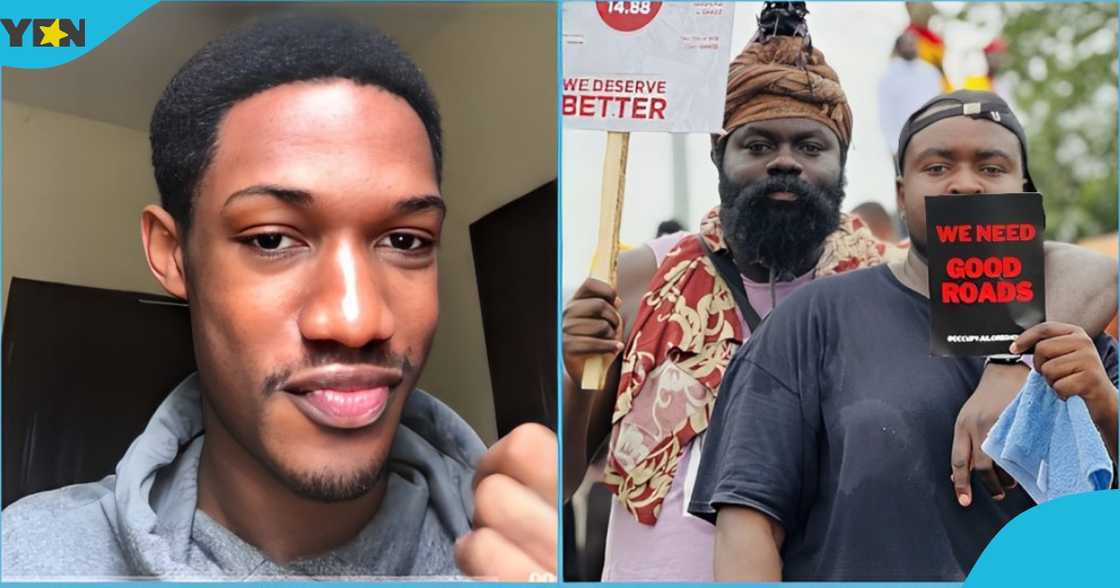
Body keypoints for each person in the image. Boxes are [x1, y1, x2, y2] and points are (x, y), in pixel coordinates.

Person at [561, 4, 1114, 582]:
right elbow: (564, 478)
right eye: (756, 145)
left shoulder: (894, 275)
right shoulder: (644, 277)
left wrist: (1011, 365)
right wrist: (577, 377)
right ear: (718, 157)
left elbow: (1087, 272)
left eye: (810, 147)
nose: (786, 164)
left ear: (844, 165)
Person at [1, 16, 555, 581]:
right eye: (272, 239)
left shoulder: (542, 555)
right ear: (172, 254)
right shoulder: (26, 554)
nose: (355, 319)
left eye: (405, 240)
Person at [689, 90, 1118, 581]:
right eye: (936, 168)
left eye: (991, 167)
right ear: (900, 193)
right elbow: (748, 521)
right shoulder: (812, 320)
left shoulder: (1075, 337)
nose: (964, 186)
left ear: (1025, 190)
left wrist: (1099, 402)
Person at [878, 31, 943, 161]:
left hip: (931, 140)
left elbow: (939, 105)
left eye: (913, 42)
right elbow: (886, 114)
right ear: (899, 47)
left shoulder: (930, 72)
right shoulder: (889, 76)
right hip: (901, 143)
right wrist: (894, 146)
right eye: (907, 43)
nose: (911, 45)